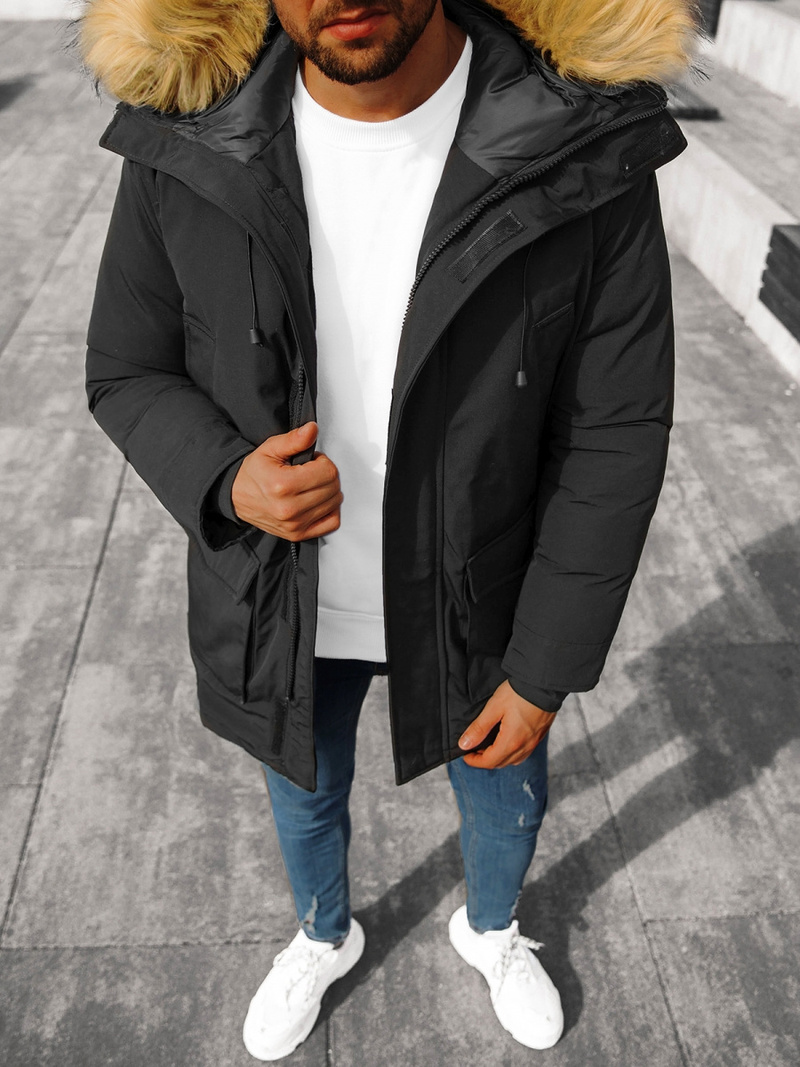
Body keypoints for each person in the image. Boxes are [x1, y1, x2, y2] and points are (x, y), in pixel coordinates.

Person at [81, 0, 695, 1058]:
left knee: (505, 798)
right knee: (303, 795)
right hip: (281, 602)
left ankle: (492, 927)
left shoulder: (582, 142)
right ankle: (323, 933)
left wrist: (547, 663)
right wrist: (228, 479)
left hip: (484, 601)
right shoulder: (186, 136)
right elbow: (126, 367)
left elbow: (615, 431)